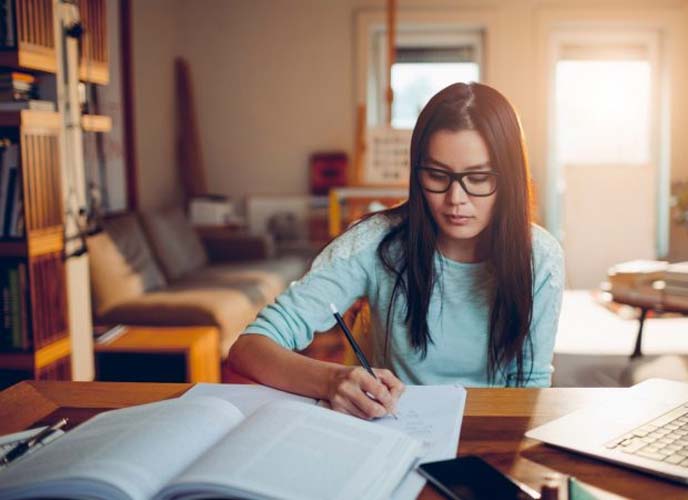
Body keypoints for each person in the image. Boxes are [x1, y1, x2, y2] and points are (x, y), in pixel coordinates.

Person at [227, 82, 564, 420]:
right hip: (395, 428)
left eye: (478, 178)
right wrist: (330, 380)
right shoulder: (375, 242)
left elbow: (530, 387)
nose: (456, 199)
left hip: (494, 429)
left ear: (509, 179)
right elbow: (249, 348)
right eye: (437, 175)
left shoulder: (540, 257)